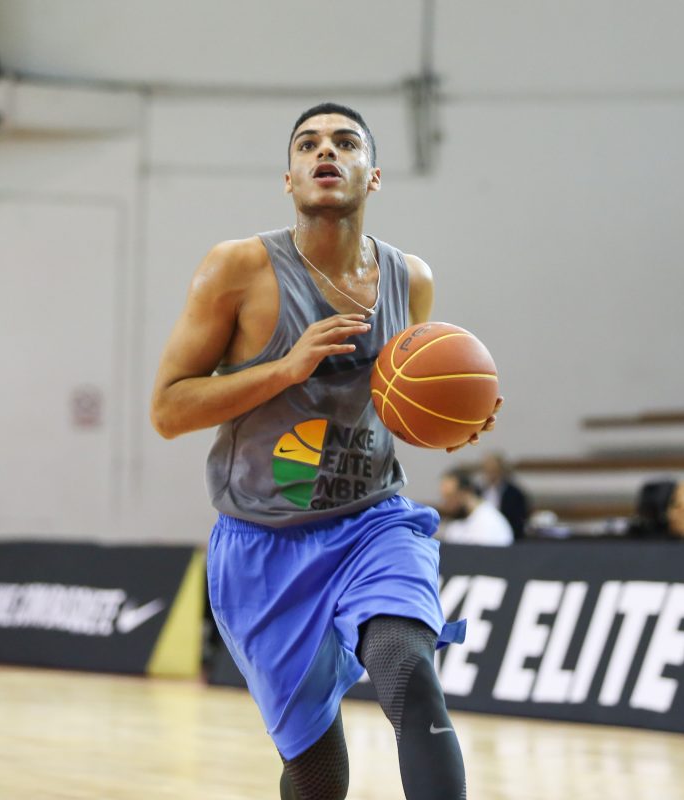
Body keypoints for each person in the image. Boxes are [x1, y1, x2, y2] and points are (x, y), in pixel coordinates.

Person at [150, 102, 499, 800]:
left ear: (374, 176)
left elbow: (397, 402)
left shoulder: (410, 279)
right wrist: (285, 369)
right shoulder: (236, 269)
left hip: (372, 521)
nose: (325, 152)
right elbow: (168, 409)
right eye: (308, 144)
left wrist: (450, 421)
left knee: (408, 672)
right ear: (289, 178)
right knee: (318, 775)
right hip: (264, 542)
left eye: (345, 142)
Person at [437, 470, 513, 546]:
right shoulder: (455, 523)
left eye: (450, 497)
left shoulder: (490, 522)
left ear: (466, 492)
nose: (445, 504)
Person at [478, 452, 530, 541]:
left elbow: (519, 521)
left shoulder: (514, 494)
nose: (490, 473)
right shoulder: (478, 492)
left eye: (493, 470)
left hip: (507, 537)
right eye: (487, 470)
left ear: (501, 470)